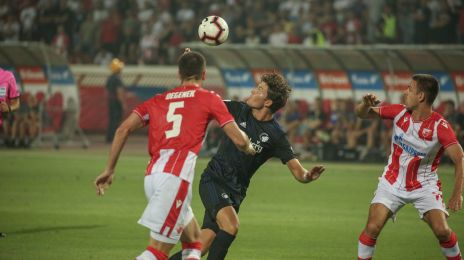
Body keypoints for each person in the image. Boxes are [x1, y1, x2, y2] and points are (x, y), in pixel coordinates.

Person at [94, 49, 256, 260]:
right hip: (174, 180)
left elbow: (122, 129)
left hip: (153, 177)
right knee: (157, 252)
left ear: (179, 74)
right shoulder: (209, 98)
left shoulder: (157, 100)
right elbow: (240, 140)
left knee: (194, 245)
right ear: (204, 74)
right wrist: (249, 147)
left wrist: (109, 169)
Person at [170, 73, 326, 260]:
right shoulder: (237, 109)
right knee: (231, 226)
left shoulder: (276, 135)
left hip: (236, 192)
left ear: (268, 102)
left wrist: (309, 176)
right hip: (214, 179)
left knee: (200, 246)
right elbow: (205, 100)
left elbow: (298, 172)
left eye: (259, 89)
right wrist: (191, 78)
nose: (253, 90)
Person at [355, 74, 463, 260]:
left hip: (424, 186)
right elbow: (362, 114)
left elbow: (460, 158)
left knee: (442, 231)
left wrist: (456, 193)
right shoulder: (398, 112)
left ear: (421, 96)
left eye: (410, 89)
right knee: (372, 228)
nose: (405, 92)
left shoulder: (440, 126)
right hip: (392, 181)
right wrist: (365, 104)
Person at [105, 58, 126, 143]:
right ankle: (114, 138)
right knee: (116, 120)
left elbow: (106, 91)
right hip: (116, 102)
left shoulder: (109, 78)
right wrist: (123, 103)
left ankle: (109, 137)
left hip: (110, 101)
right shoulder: (118, 79)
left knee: (111, 119)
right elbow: (119, 92)